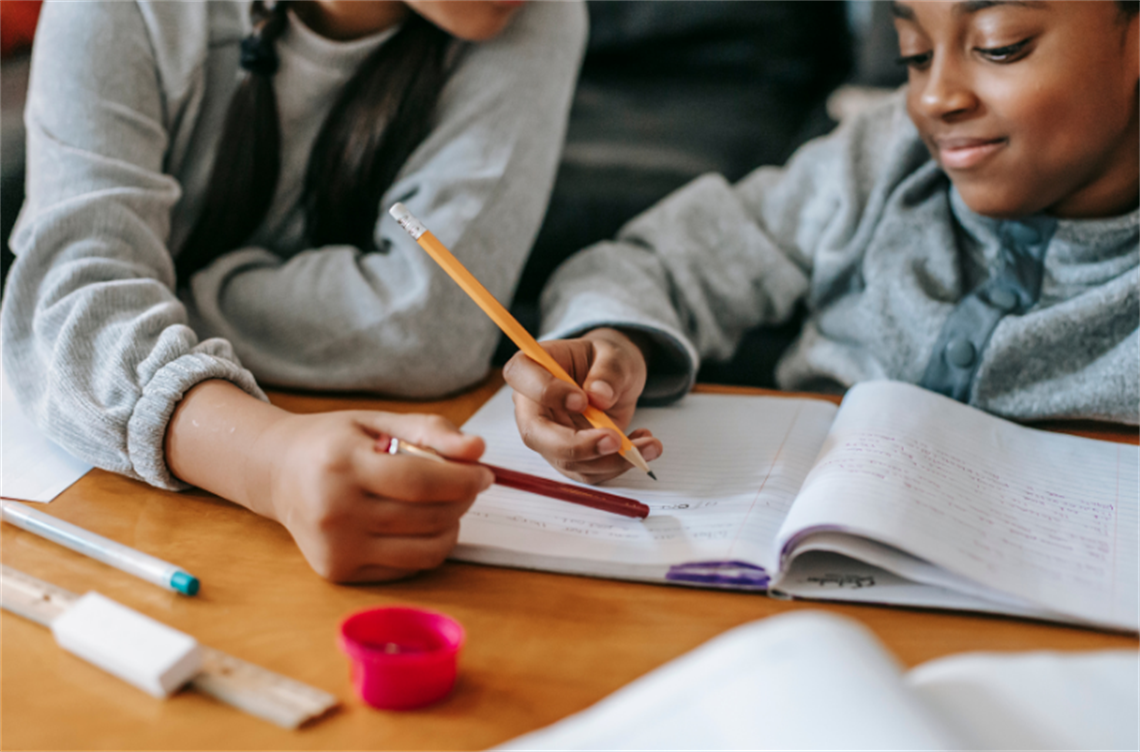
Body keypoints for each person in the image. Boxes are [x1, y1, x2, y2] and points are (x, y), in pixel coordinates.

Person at [1, 0, 586, 581]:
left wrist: (162, 297)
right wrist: (269, 459)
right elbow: (68, 309)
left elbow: (432, 323)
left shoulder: (536, 15)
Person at [504, 0, 1140, 484]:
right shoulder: (881, 156)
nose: (937, 96)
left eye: (1001, 47)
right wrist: (616, 343)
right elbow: (651, 261)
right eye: (914, 55)